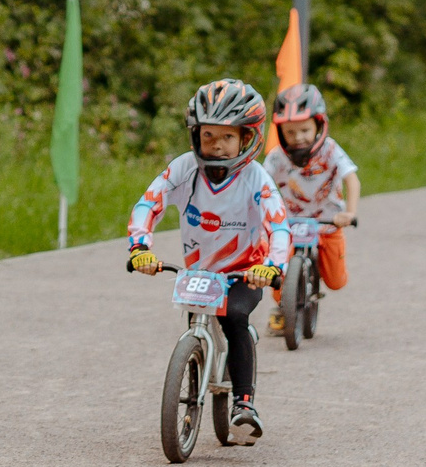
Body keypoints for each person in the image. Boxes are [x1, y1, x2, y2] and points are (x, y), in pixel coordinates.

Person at [126, 79, 291, 443]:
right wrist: (140, 249)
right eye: (208, 135)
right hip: (200, 274)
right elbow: (147, 204)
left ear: (247, 138)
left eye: (227, 136)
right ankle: (197, 366)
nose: (216, 144)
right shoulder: (184, 169)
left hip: (247, 272)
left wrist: (274, 267)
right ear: (195, 135)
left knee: (235, 318)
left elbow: (279, 226)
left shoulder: (255, 178)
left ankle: (244, 404)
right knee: (196, 319)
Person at [263, 82, 358, 335]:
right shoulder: (276, 156)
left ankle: (310, 288)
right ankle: (285, 307)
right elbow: (259, 184)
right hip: (290, 223)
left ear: (318, 125)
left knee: (337, 282)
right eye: (290, 132)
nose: (298, 137)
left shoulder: (330, 150)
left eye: (304, 129)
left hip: (328, 222)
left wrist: (348, 212)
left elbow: (352, 179)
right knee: (277, 272)